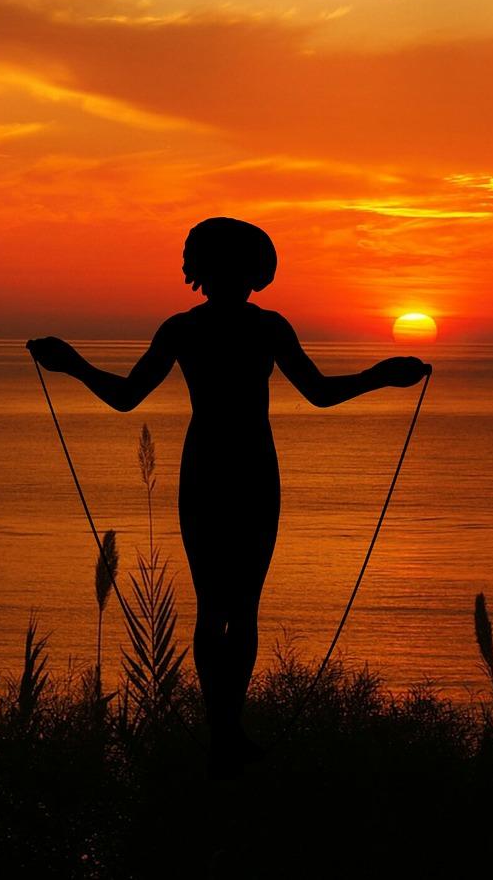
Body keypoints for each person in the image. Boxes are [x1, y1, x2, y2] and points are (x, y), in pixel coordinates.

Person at [27, 217, 429, 770]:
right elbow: (320, 393)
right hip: (245, 469)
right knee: (235, 607)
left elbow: (125, 397)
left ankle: (224, 731)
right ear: (245, 270)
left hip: (214, 468)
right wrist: (380, 376)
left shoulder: (187, 328)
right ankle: (226, 733)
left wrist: (72, 364)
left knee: (221, 605)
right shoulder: (260, 327)